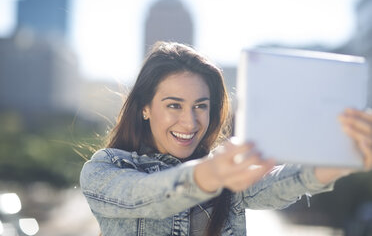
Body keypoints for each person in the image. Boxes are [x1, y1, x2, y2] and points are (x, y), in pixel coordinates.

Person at [80, 41, 372, 236]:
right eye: (174, 105)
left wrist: (344, 157)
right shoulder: (105, 169)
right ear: (145, 107)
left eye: (201, 106)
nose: (190, 121)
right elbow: (143, 196)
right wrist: (211, 175)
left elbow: (280, 184)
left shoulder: (226, 170)